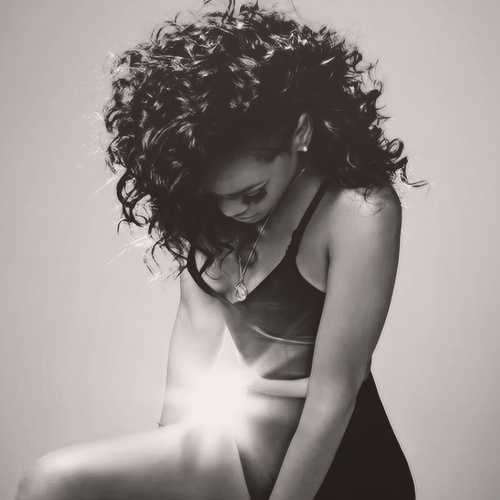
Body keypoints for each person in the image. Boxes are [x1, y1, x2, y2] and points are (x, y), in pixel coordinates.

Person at [15, 1, 423, 499]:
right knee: (49, 482)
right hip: (242, 448)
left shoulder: (358, 210)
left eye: (251, 193)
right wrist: (169, 463)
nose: (231, 212)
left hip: (345, 465)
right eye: (216, 197)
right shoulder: (209, 211)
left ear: (300, 132)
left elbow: (335, 395)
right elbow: (195, 327)